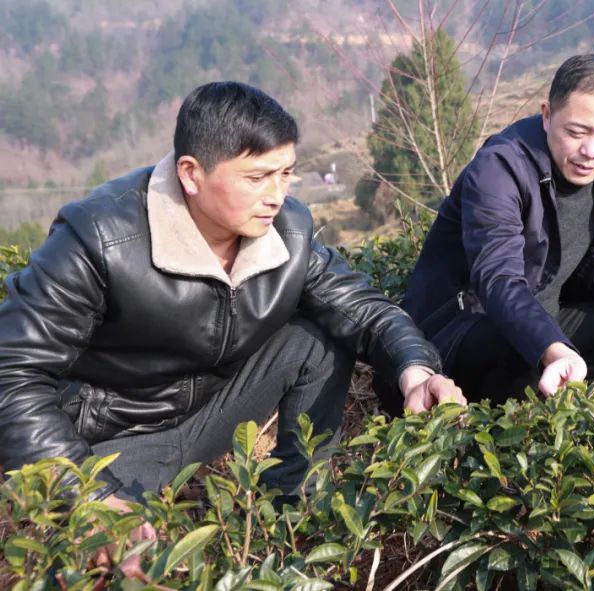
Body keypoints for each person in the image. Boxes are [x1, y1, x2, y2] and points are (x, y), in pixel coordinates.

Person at [0, 81, 463, 567]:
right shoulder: (100, 239)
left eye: (287, 173)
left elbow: (364, 309)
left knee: (317, 338)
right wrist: (85, 494)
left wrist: (416, 371)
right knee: (116, 564)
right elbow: (12, 371)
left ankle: (293, 515)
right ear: (191, 174)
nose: (277, 196)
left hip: (208, 416)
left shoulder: (287, 232)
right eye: (257, 177)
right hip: (114, 442)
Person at [390, 55, 594, 414]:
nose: (591, 151)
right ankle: (522, 386)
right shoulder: (500, 168)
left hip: (545, 318)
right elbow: (497, 280)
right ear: (547, 115)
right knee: (520, 348)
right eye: (576, 132)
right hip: (469, 329)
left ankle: (548, 375)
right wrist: (552, 347)